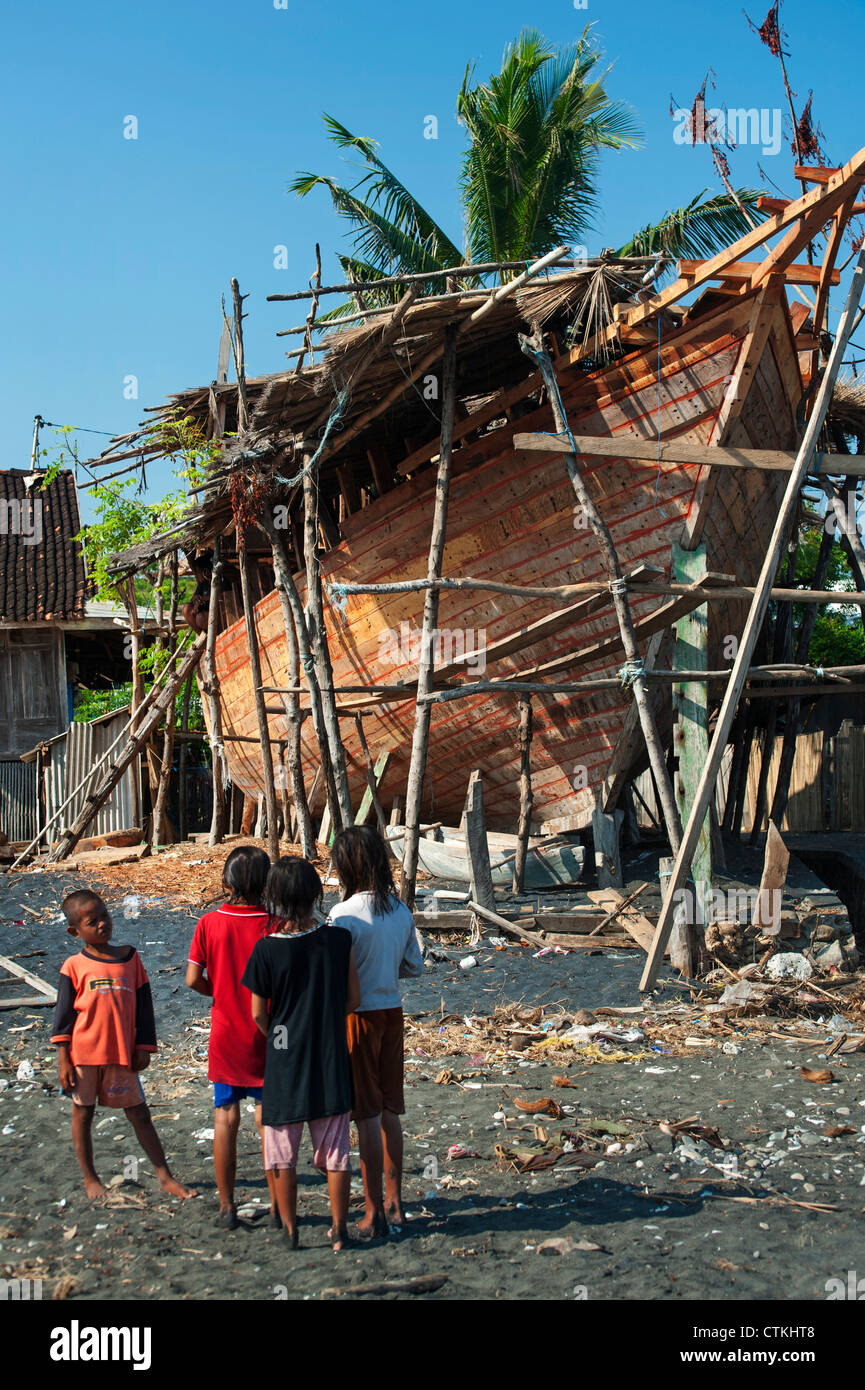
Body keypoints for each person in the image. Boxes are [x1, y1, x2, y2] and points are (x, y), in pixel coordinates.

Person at [243, 857, 360, 1252]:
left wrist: (281, 1037)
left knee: (281, 1151)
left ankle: (291, 1229)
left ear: (273, 897)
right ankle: (340, 1228)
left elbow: (260, 1013)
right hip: (330, 1056)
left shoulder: (265, 950)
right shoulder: (339, 939)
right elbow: (353, 999)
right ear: (315, 894)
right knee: (336, 1151)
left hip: (284, 1060)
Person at [51, 890, 196, 1203]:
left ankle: (165, 1176)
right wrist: (63, 1059)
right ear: (75, 931)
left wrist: (144, 1044)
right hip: (84, 1056)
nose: (103, 924)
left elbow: (144, 1005)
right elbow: (63, 1018)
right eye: (93, 921)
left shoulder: (130, 958)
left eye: (105, 916)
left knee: (140, 1115)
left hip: (122, 1054)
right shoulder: (73, 967)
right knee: (83, 1114)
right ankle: (90, 1178)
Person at [327, 825, 424, 1238]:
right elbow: (414, 967)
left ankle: (371, 1212)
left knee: (364, 1113)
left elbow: (334, 978)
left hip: (357, 1017)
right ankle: (396, 1200)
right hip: (392, 1012)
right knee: (389, 1111)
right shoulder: (400, 911)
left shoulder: (343, 916)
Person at [186, 845, 274, 1229]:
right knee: (267, 1121)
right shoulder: (275, 924)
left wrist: (220, 992)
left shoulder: (209, 923)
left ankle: (226, 1205)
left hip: (225, 1033)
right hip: (268, 1031)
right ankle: (278, 1201)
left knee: (225, 1117)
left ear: (226, 883)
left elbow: (192, 979)